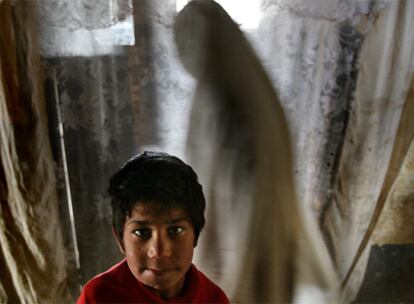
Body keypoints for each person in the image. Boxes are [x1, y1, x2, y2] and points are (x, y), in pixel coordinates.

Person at [76, 151, 229, 303]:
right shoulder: (98, 298)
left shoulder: (214, 299)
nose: (159, 252)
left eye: (175, 230)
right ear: (120, 238)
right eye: (141, 232)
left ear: (195, 234)